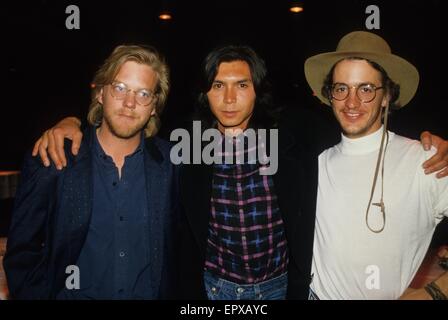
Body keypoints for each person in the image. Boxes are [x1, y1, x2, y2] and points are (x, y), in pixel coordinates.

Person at [29, 44, 448, 300]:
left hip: (282, 289)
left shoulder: (296, 136)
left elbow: (361, 130)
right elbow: (125, 133)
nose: (229, 98)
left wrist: (427, 142)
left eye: (241, 85)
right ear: (205, 94)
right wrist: (71, 123)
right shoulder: (184, 148)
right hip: (211, 291)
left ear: (257, 90)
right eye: (218, 85)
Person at [3, 45, 179, 299]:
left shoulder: (173, 165)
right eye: (119, 88)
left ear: (153, 106)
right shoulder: (55, 158)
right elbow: (22, 254)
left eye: (143, 93)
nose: (129, 103)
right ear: (100, 93)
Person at [304, 31, 448, 299]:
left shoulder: (425, 161)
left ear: (386, 96)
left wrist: (434, 293)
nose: (351, 102)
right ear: (330, 95)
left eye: (366, 89)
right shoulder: (316, 165)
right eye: (341, 88)